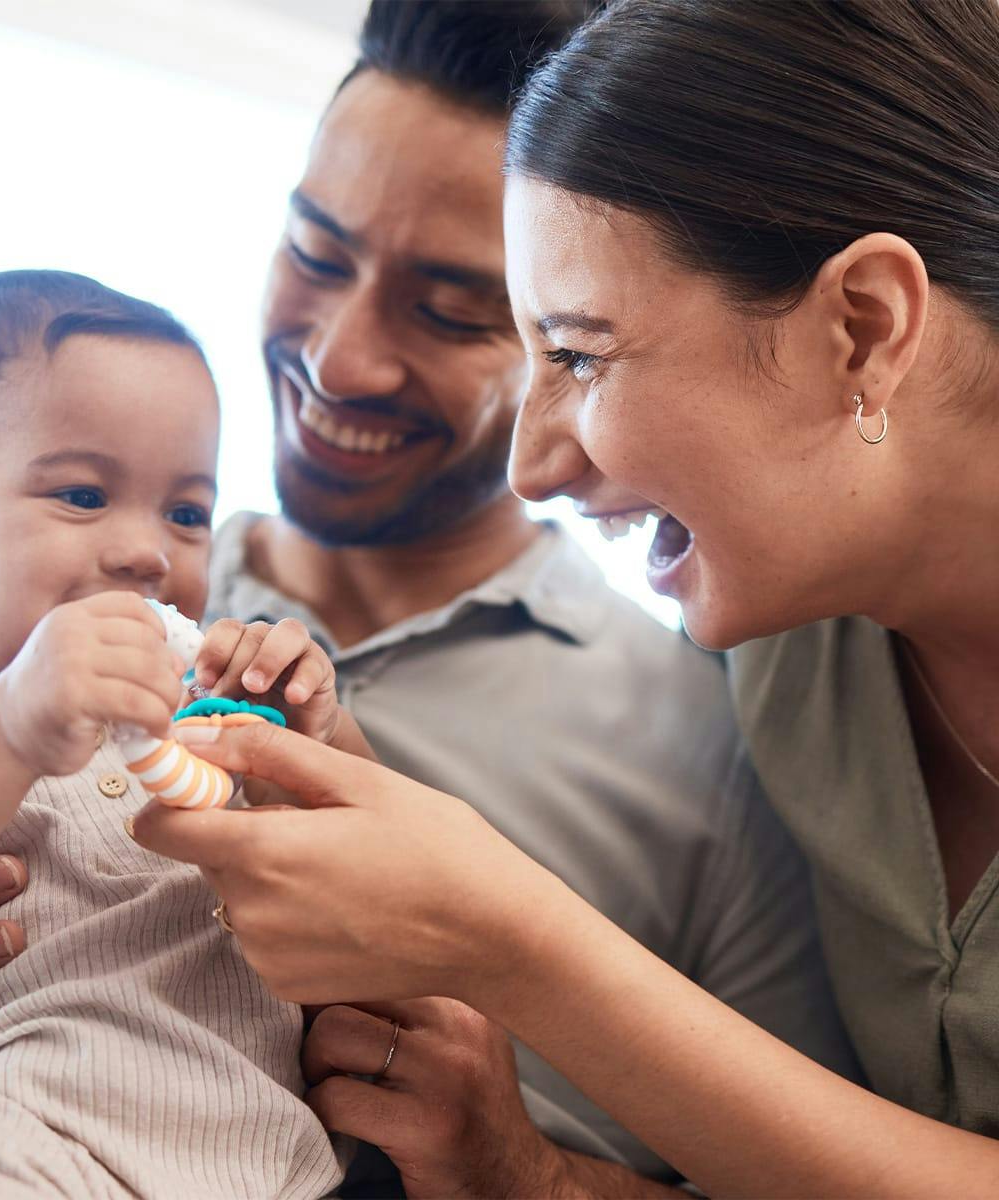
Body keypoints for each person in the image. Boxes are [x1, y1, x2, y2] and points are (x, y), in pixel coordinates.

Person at [0, 6, 854, 1197]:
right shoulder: (10, 629)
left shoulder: (707, 734)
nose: (341, 361)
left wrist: (519, 1167)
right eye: (314, 253)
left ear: (568, 343)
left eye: (454, 310)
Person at [131, 0, 999, 1195]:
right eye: (317, 252)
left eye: (581, 354)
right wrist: (518, 1165)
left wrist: (509, 943)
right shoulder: (792, 656)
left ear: (863, 328)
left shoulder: (710, 735)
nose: (533, 468)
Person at [0, 269, 367, 1197]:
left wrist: (319, 736)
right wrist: (6, 724)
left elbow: (380, 865)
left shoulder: (208, 714)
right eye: (81, 495)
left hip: (262, 1165)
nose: (150, 551)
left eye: (187, 512)